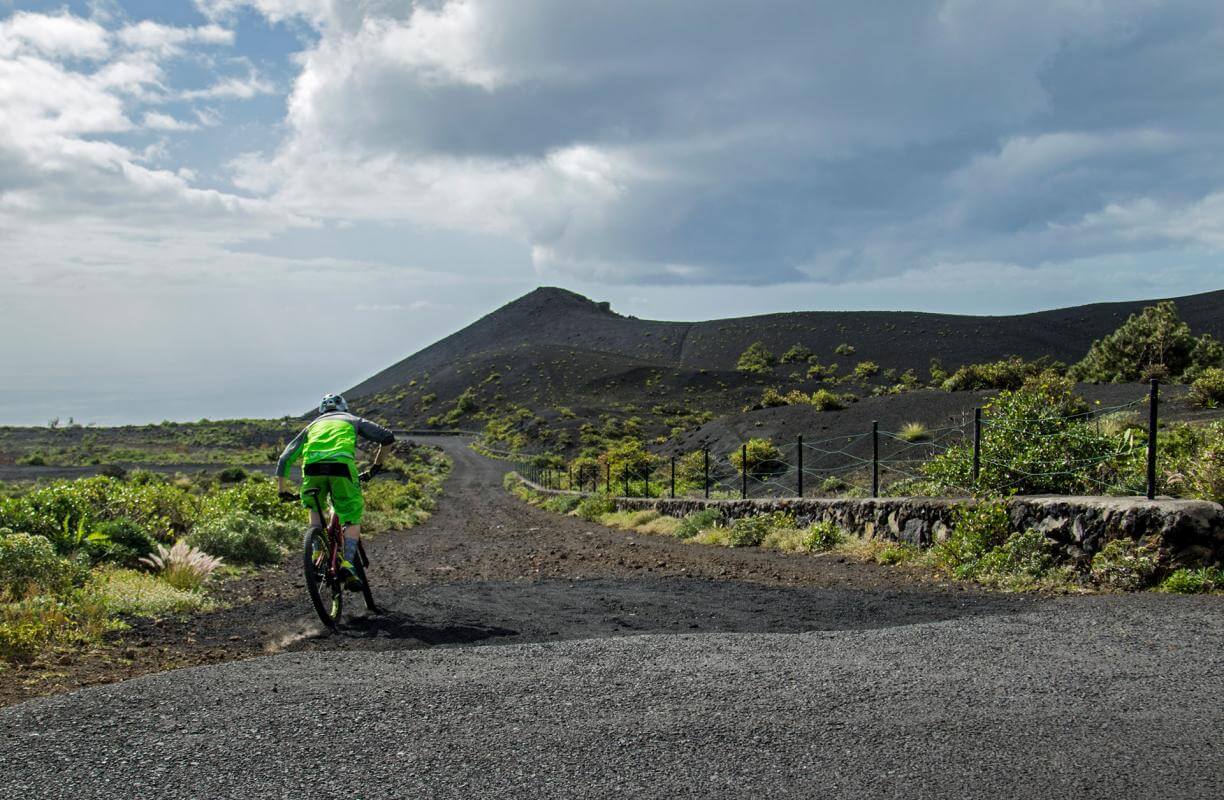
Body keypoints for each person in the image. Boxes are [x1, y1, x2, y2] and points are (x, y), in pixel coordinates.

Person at [277, 393, 395, 587]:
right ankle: (348, 564)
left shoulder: (311, 426)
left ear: (322, 411)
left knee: (315, 508)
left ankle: (316, 552)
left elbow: (284, 458)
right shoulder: (351, 420)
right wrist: (376, 467)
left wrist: (282, 490)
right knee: (351, 516)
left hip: (313, 469)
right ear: (344, 408)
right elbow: (387, 437)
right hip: (341, 468)